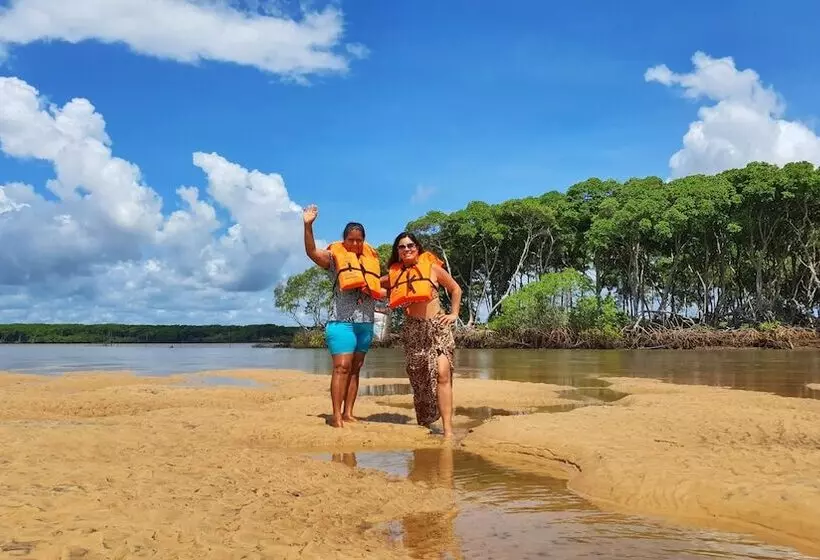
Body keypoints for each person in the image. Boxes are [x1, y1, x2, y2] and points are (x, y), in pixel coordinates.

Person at [303, 204, 383, 428]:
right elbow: (311, 253)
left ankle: (349, 413)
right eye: (351, 240)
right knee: (342, 367)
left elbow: (379, 284)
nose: (355, 244)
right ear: (344, 240)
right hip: (341, 323)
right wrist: (308, 225)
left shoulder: (370, 259)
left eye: (359, 240)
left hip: (365, 323)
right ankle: (336, 416)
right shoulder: (334, 259)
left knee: (356, 369)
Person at [383, 232, 462, 438]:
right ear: (397, 252)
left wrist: (454, 314)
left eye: (411, 245)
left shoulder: (432, 268)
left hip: (438, 326)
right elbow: (372, 286)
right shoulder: (393, 275)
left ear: (417, 248)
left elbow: (455, 289)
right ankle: (426, 422)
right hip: (413, 330)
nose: (407, 249)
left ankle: (448, 430)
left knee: (443, 373)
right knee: (420, 380)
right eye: (402, 247)